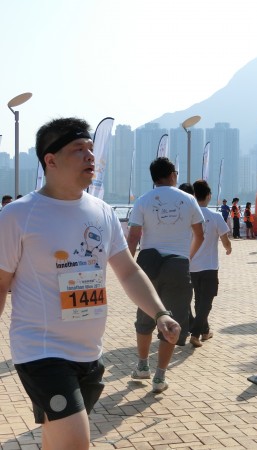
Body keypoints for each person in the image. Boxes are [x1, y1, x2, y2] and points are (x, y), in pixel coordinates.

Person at [0, 117, 181, 449]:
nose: (90, 156)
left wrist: (160, 313)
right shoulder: (18, 215)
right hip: (41, 352)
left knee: (57, 439)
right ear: (50, 160)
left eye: (91, 148)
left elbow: (128, 271)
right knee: (75, 442)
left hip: (89, 353)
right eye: (78, 149)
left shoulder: (103, 212)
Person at [127, 157, 205, 393]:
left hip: (148, 264)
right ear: (172, 174)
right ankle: (160, 376)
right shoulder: (188, 199)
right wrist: (186, 257)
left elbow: (133, 237)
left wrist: (128, 267)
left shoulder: (143, 200)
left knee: (145, 315)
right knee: (172, 319)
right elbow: (200, 235)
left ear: (154, 178)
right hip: (178, 265)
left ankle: (142, 366)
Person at [188, 180, 232, 347]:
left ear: (193, 195)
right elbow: (225, 239)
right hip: (210, 266)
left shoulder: (188, 215)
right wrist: (228, 248)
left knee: (199, 300)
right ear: (208, 196)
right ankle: (195, 334)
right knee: (206, 302)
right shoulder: (215, 216)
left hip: (191, 266)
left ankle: (205, 331)